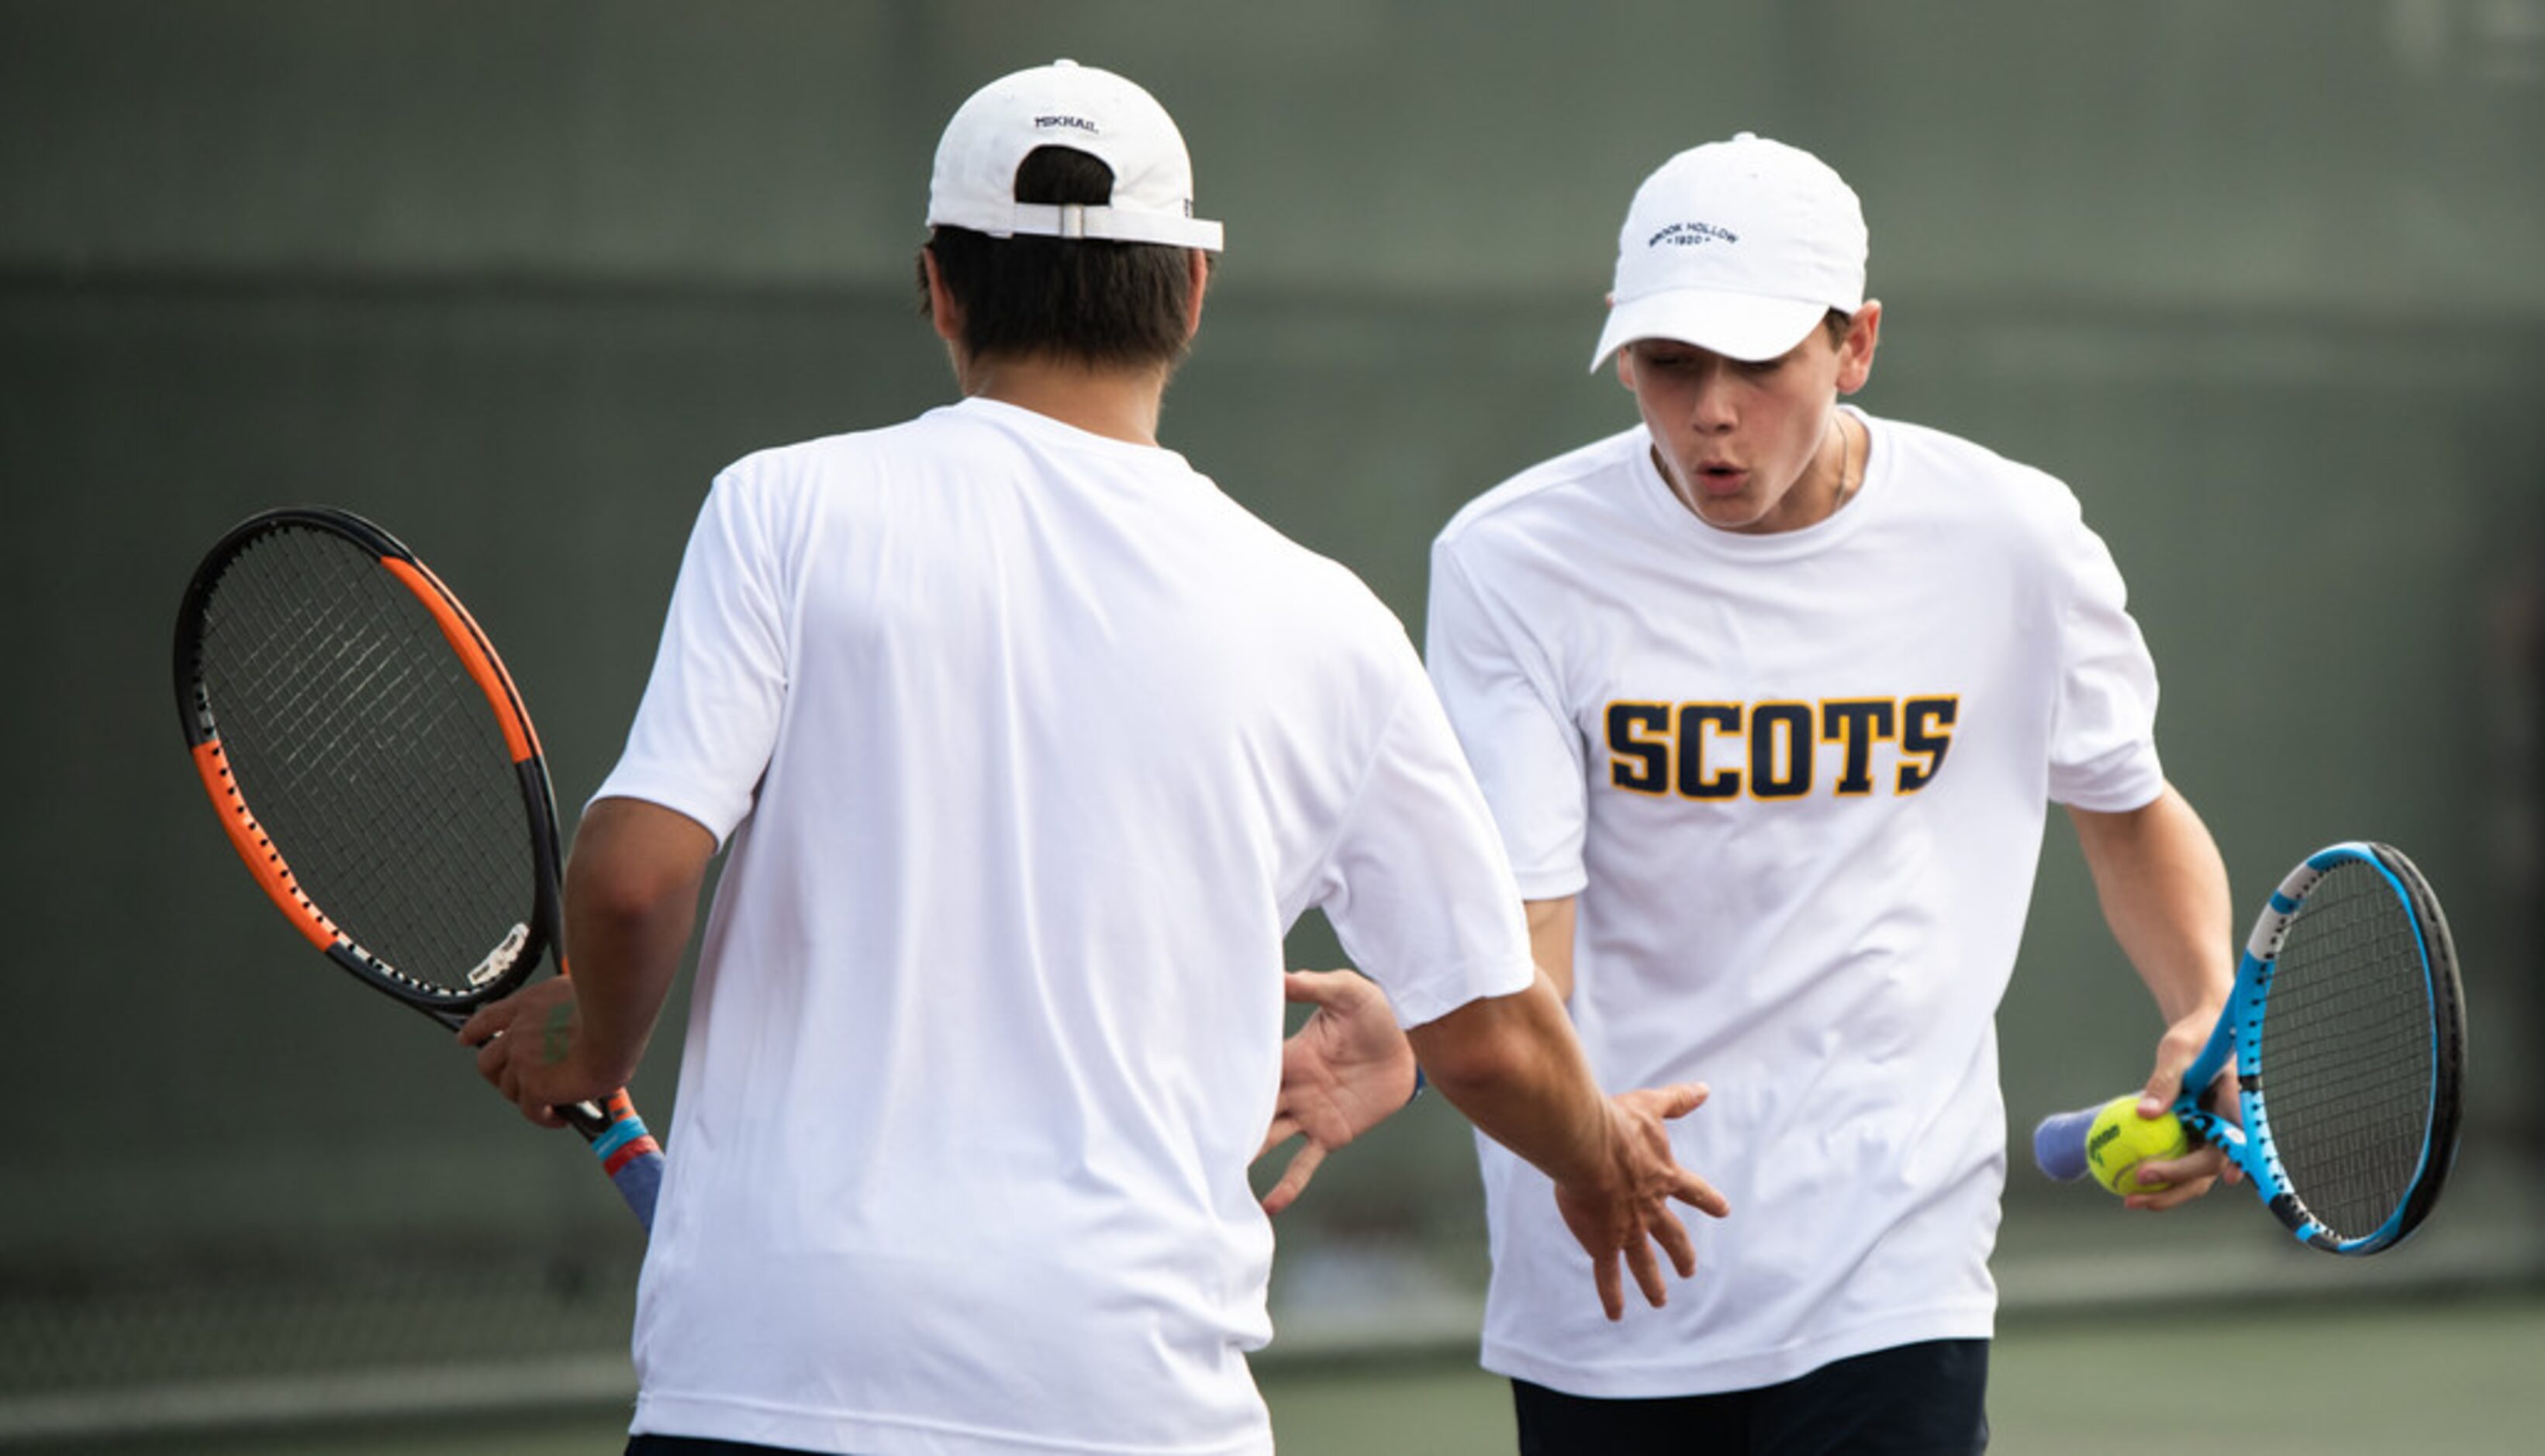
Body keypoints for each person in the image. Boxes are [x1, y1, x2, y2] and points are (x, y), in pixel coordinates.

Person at [458, 60, 1723, 1456]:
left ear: (938, 284)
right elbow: (1485, 1031)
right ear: (1189, 291)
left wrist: (592, 1044)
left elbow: (633, 884)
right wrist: (1601, 1159)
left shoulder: (781, 511)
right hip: (1128, 1405)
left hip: (761, 1381)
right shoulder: (1326, 623)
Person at [1408, 133, 2241, 1451]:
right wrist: (1478, 1066)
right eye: (1670, 365)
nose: (1710, 412)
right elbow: (1528, 950)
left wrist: (2201, 1006)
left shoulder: (2010, 537)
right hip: (1612, 1263)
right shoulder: (1513, 562)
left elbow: (2126, 801)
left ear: (1852, 346)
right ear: (1621, 350)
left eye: (1758, 361)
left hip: (1894, 1277)